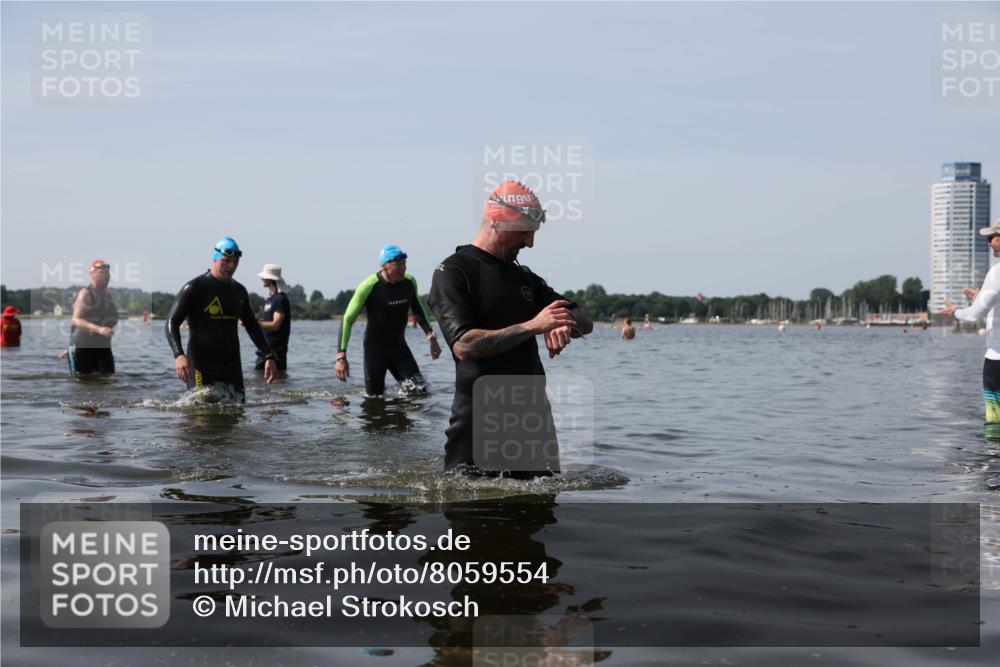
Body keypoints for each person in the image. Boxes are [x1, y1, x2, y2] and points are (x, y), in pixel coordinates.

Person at [428, 180, 594, 476]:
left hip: (534, 426)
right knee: (474, 517)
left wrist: (562, 323)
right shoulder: (453, 272)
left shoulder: (524, 277)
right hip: (478, 428)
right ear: (497, 222)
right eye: (525, 232)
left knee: (543, 515)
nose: (530, 243)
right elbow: (465, 346)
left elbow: (584, 319)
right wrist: (534, 326)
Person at [166, 237, 276, 401]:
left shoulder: (239, 291)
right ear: (215, 259)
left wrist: (268, 356)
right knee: (200, 419)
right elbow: (171, 322)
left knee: (237, 415)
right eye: (226, 261)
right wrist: (179, 355)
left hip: (231, 365)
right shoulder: (195, 288)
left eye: (235, 262)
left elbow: (252, 325)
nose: (231, 266)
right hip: (201, 365)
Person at [336, 244, 441, 396]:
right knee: (374, 399)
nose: (403, 268)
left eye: (404, 263)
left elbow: (418, 310)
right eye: (398, 264)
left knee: (420, 392)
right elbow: (347, 319)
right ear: (384, 266)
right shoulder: (369, 286)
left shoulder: (409, 282)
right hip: (375, 352)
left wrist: (431, 337)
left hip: (399, 349)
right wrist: (341, 356)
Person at [939, 216, 1000, 424]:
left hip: (997, 360)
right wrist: (978, 299)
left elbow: (974, 316)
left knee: (995, 422)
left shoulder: (997, 273)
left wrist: (955, 311)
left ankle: (994, 455)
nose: (989, 242)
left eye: (991, 237)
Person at [67, 259, 119, 374]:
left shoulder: (108, 296)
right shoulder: (85, 293)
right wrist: (99, 329)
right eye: (101, 273)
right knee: (81, 383)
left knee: (107, 379)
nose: (105, 276)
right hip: (82, 346)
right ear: (92, 274)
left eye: (107, 273)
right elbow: (76, 320)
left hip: (103, 347)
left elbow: (106, 325)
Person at [255, 264, 291, 374]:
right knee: (260, 381)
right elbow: (267, 320)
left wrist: (254, 323)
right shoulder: (271, 298)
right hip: (265, 349)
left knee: (276, 382)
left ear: (271, 279)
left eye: (264, 277)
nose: (261, 279)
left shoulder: (280, 299)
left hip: (276, 351)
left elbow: (276, 325)